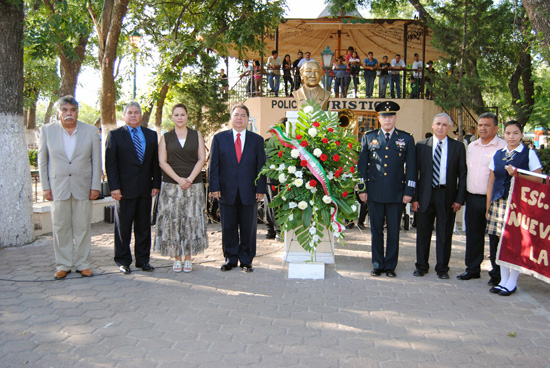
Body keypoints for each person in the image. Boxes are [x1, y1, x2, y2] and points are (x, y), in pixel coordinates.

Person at [38, 95, 102, 280]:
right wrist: (45, 187)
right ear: (58, 112)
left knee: (83, 227)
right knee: (60, 227)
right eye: (65, 110)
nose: (69, 114)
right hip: (58, 186)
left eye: (72, 110)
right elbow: (43, 160)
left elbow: (96, 161)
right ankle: (63, 265)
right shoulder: (47, 131)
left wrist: (95, 186)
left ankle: (83, 264)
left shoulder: (90, 131)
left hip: (83, 186)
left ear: (77, 112)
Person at [357, 101, 416, 277]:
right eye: (384, 116)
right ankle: (377, 264)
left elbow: (411, 167)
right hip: (374, 192)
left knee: (393, 231)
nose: (387, 119)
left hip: (396, 193)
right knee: (375, 230)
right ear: (379, 118)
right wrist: (362, 189)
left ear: (395, 118)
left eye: (390, 116)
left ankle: (390, 266)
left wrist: (409, 192)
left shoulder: (406, 138)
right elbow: (362, 166)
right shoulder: (369, 137)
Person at [486, 121, 542, 296]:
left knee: (515, 243)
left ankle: (512, 282)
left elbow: (539, 179)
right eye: (508, 133)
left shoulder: (528, 154)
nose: (511, 137)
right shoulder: (498, 154)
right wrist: (488, 205)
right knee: (500, 243)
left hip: (519, 204)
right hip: (499, 203)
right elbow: (491, 181)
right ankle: (503, 280)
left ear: (521, 135)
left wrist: (517, 173)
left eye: (515, 133)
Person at [105, 101, 161, 274]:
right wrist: (114, 187)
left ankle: (143, 260)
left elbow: (155, 163)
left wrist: (156, 184)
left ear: (141, 115)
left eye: (136, 112)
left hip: (145, 189)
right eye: (130, 112)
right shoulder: (115, 135)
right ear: (124, 116)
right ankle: (123, 260)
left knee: (143, 227)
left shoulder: (151, 135)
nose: (133, 115)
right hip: (123, 191)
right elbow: (110, 164)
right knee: (123, 227)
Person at [209, 104, 266, 272]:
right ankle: (230, 258)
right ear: (231, 118)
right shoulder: (219, 139)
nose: (239, 118)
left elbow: (261, 167)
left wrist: (260, 189)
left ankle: (246, 259)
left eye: (243, 115)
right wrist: (214, 187)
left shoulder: (257, 140)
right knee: (228, 226)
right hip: (226, 191)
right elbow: (214, 165)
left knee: (249, 227)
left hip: (250, 191)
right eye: (236, 115)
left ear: (248, 119)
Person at [412, 113, 467, 279]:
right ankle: (421, 266)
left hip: (447, 195)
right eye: (438, 124)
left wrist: (459, 199)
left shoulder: (458, 147)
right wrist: (414, 198)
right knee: (423, 233)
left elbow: (463, 174)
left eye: (444, 125)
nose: (441, 127)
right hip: (424, 195)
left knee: (444, 234)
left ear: (449, 128)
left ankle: (442, 268)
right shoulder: (421, 146)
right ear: (432, 125)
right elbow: (414, 174)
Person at [155, 104, 208, 273]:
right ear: (172, 117)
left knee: (191, 220)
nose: (180, 117)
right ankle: (177, 258)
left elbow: (202, 158)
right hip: (171, 186)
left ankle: (188, 259)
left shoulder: (196, 135)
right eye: (176, 115)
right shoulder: (165, 137)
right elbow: (162, 162)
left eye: (182, 114)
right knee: (174, 221)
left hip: (193, 185)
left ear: (187, 116)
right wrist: (179, 180)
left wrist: (190, 179)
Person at [457, 112, 506, 283]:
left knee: (494, 237)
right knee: (473, 234)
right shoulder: (472, 146)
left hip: (494, 200)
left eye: (487, 125)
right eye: (480, 125)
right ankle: (472, 269)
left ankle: (497, 274)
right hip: (472, 197)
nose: (483, 128)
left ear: (496, 127)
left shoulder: (503, 147)